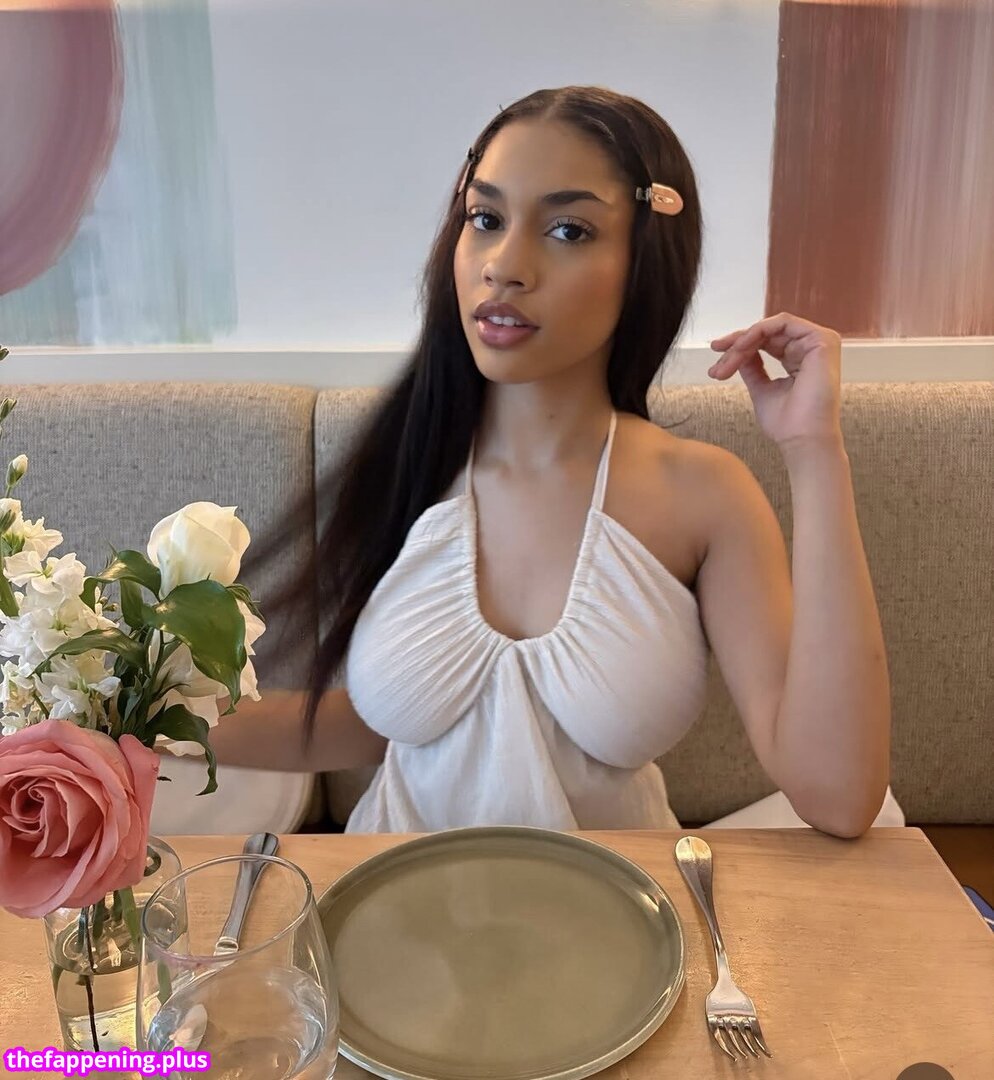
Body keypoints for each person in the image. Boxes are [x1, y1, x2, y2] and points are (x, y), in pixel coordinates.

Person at [211, 85, 891, 839]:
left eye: (568, 229)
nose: (505, 265)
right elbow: (394, 729)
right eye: (485, 219)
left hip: (619, 905)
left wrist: (813, 450)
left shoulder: (702, 496)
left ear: (644, 261)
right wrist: (144, 722)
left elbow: (838, 796)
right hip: (390, 899)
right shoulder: (409, 459)